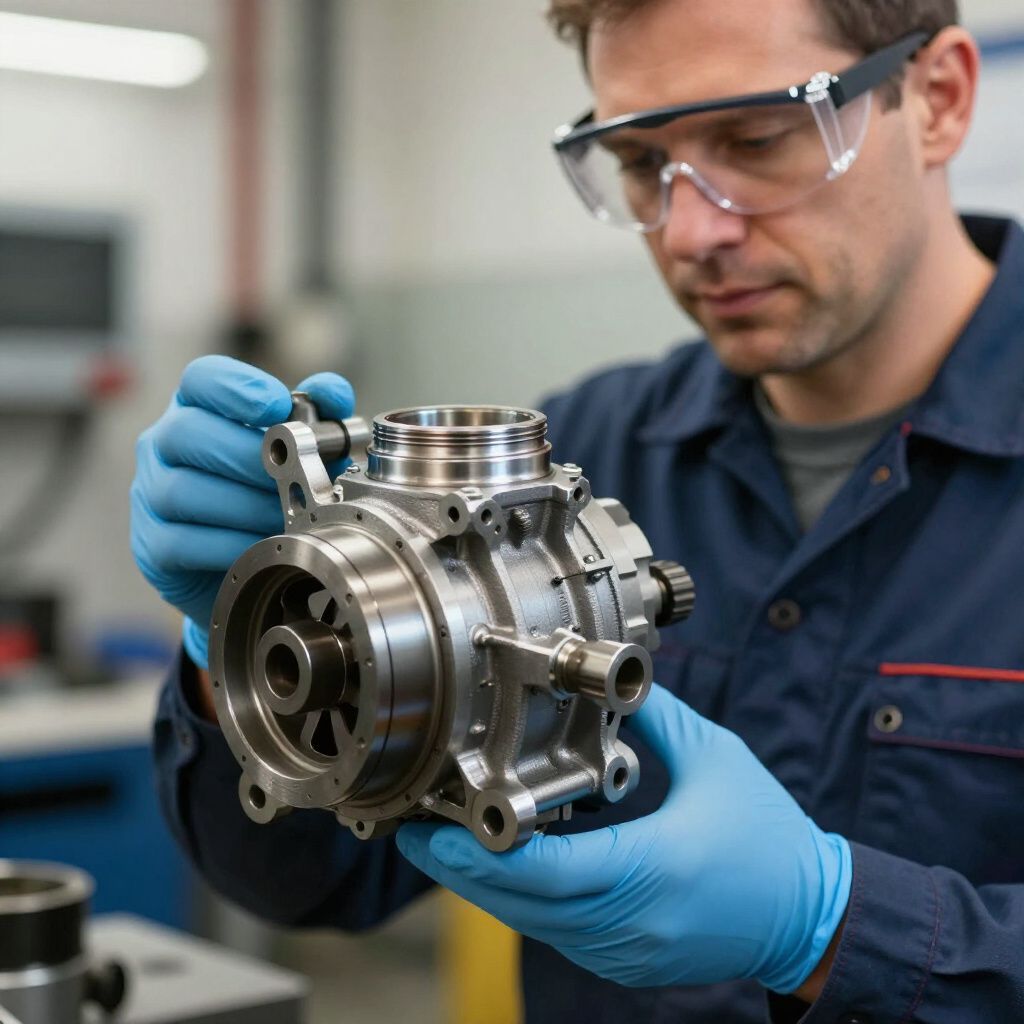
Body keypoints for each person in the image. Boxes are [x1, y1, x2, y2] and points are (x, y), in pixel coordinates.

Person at [131, 0, 1024, 1019]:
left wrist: (836, 929)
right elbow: (317, 881)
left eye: (757, 138)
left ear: (940, 99)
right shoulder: (574, 458)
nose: (693, 230)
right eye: (642, 162)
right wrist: (241, 651)